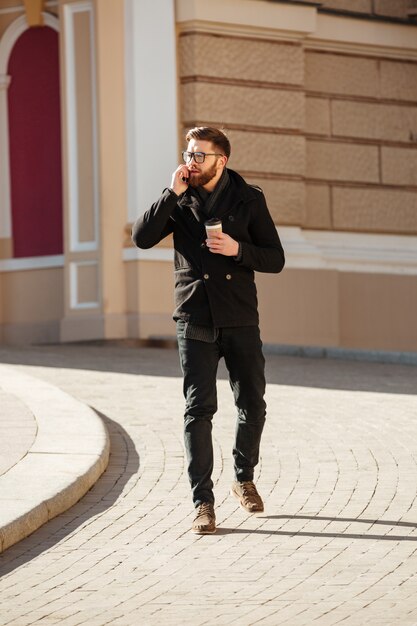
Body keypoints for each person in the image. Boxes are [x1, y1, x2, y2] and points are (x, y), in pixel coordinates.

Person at [132, 127, 285, 534]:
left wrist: (238, 250)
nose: (191, 161)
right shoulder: (180, 199)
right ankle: (203, 502)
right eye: (188, 153)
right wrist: (170, 194)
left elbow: (275, 258)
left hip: (239, 317)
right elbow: (141, 238)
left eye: (200, 155)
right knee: (199, 410)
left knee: (253, 401)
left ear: (223, 160)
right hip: (195, 317)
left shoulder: (249, 198)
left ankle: (243, 477)